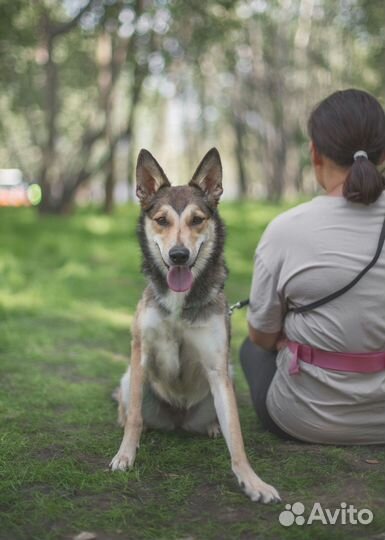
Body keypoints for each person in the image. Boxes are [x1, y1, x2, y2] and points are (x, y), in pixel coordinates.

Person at [240, 88, 385, 444]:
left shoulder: (286, 230)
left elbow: (262, 336)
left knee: (249, 348)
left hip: (307, 419)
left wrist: (290, 338)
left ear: (314, 152)